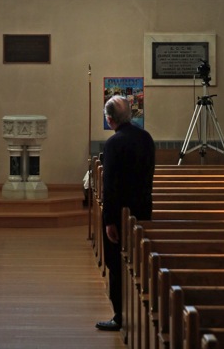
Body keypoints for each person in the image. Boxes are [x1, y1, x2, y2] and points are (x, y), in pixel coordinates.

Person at [96, 95, 155, 332]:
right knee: (140, 260)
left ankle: (120, 315)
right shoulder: (146, 138)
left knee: (117, 264)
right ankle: (142, 311)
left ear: (110, 119)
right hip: (143, 210)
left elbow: (110, 186)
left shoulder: (114, 143)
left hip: (121, 213)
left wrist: (109, 220)